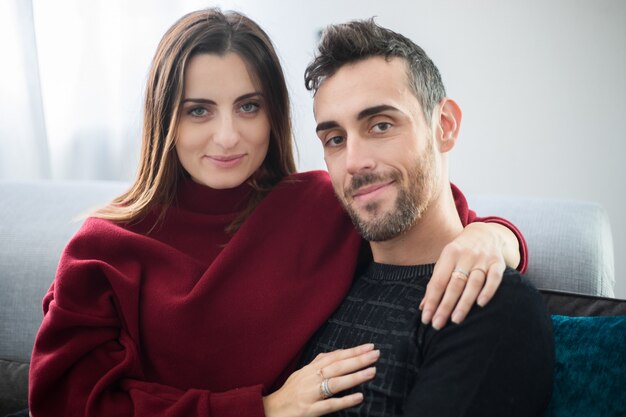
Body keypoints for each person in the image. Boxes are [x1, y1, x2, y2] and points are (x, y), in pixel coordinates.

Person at [27, 9, 529, 417]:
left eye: (249, 107)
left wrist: (494, 237)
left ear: (275, 115)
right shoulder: (100, 250)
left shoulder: (319, 205)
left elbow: (421, 206)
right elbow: (60, 403)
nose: (227, 136)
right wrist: (259, 410)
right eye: (198, 110)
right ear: (165, 119)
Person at [299, 19, 554, 416]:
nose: (354, 163)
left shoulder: (489, 305)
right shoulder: (322, 270)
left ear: (445, 127)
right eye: (335, 139)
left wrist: (492, 236)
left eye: (381, 125)